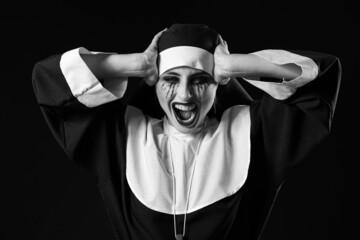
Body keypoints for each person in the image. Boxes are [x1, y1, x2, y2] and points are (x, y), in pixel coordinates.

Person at [32, 24, 341, 240]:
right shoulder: (124, 136)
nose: (184, 96)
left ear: (218, 82)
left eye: (199, 80)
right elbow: (50, 82)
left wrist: (238, 66)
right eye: (171, 79)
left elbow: (319, 80)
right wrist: (135, 63)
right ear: (153, 80)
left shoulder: (252, 134)